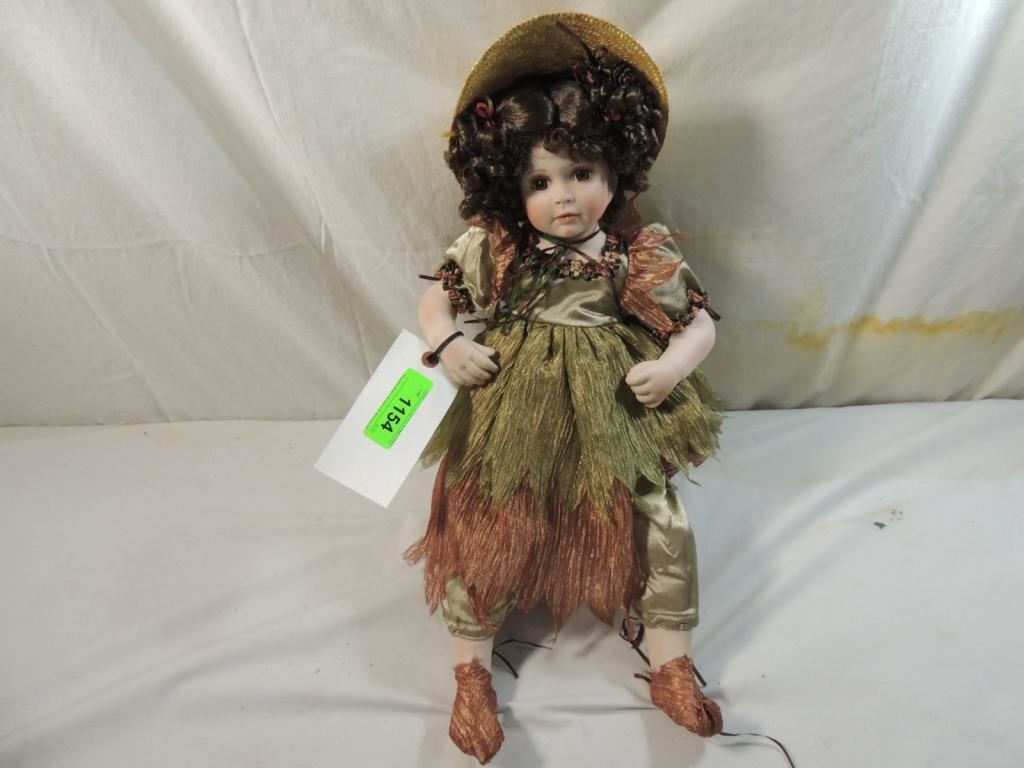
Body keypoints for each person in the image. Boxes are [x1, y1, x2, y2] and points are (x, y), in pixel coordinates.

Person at [405, 13, 725, 764]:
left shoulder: (635, 253)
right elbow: (436, 302)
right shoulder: (498, 248)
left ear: (615, 171)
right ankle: (470, 671)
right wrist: (447, 343)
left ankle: (672, 661)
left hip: (614, 398)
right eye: (539, 182)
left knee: (656, 513)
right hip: (514, 396)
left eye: (582, 173)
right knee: (488, 511)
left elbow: (700, 323)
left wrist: (674, 365)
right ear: (511, 187)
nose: (565, 198)